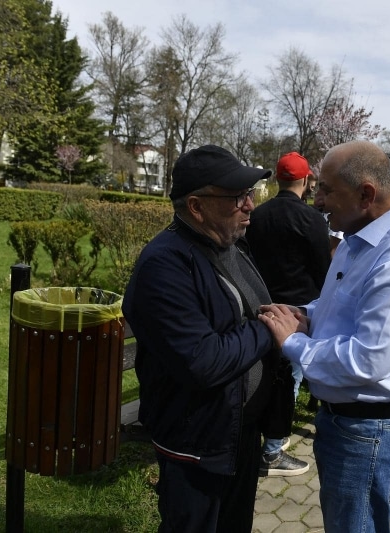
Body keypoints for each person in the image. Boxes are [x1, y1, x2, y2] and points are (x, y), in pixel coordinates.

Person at [258, 140, 390, 533]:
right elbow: (339, 306)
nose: (318, 199)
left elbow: (368, 359)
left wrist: (292, 341)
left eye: (327, 189)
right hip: (357, 425)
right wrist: (304, 315)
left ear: (365, 194)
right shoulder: (358, 242)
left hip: (373, 432)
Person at [122, 145, 275, 532]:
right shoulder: (165, 264)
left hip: (237, 433)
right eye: (237, 197)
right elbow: (203, 361)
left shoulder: (231, 246)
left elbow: (249, 311)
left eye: (250, 194)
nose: (250, 206)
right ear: (196, 206)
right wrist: (270, 329)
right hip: (197, 445)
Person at [245, 151, 331, 476]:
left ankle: (259, 442)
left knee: (262, 377)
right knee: (289, 379)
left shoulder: (259, 214)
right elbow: (323, 269)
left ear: (278, 180)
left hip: (260, 307)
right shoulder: (311, 219)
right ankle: (272, 449)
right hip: (295, 314)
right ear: (307, 180)